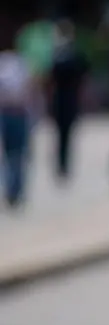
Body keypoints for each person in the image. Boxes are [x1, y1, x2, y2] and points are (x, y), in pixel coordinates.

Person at [45, 21, 86, 183]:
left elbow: (50, 80)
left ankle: (61, 165)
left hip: (61, 99)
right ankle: (64, 164)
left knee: (60, 135)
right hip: (70, 99)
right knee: (67, 135)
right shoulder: (74, 54)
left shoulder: (57, 54)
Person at [0, 44, 33, 209]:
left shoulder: (19, 65)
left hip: (17, 114)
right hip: (10, 113)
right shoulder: (14, 65)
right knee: (13, 155)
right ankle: (12, 190)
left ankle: (15, 190)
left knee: (16, 155)